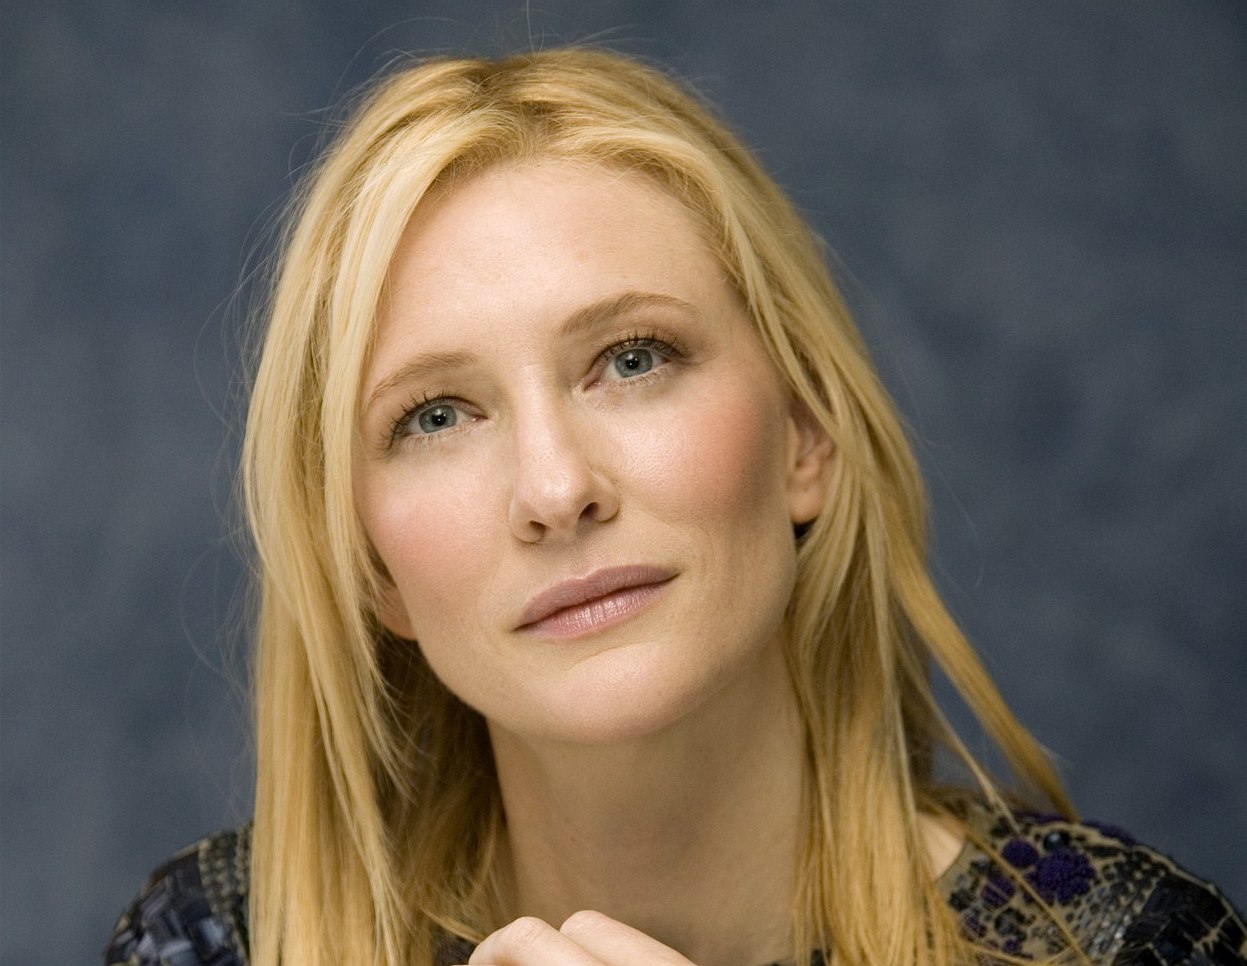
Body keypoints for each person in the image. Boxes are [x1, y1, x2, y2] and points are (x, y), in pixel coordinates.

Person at [105, 47, 1245, 966]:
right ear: (370, 568)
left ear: (804, 434)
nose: (556, 491)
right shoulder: (212, 944)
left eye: (632, 359)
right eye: (436, 416)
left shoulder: (1119, 947)